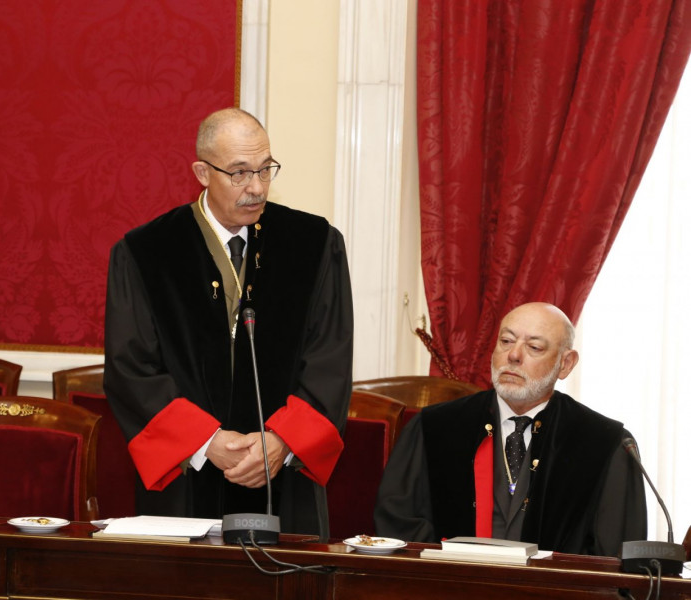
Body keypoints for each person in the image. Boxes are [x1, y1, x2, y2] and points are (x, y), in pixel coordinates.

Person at [104, 107, 354, 538]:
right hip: (187, 480)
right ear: (202, 172)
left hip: (283, 479)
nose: (255, 188)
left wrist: (282, 442)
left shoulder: (312, 245)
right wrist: (205, 443)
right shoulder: (147, 253)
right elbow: (131, 370)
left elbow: (330, 359)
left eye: (265, 170)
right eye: (238, 173)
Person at [374, 302, 646, 556]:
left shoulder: (605, 444)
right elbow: (398, 526)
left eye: (534, 347)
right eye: (506, 341)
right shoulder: (435, 428)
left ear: (565, 363)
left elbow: (613, 557)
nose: (513, 355)